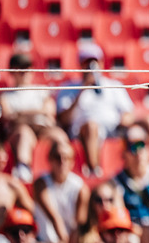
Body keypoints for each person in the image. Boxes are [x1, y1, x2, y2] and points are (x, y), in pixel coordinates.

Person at [56, 41, 135, 177]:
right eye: (87, 63)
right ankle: (94, 172)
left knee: (145, 125)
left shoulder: (114, 85)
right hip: (83, 132)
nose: (91, 67)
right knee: (92, 127)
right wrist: (83, 88)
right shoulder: (68, 88)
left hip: (113, 130)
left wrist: (122, 123)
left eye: (94, 62)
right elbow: (64, 119)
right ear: (80, 65)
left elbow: (128, 114)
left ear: (102, 63)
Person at [0, 52, 59, 183]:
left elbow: (50, 110)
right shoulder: (5, 95)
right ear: (12, 71)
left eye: (27, 68)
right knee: (24, 134)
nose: (25, 72)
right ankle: (24, 169)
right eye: (20, 69)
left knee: (59, 137)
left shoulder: (42, 90)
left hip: (44, 129)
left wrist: (21, 114)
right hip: (21, 130)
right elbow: (7, 116)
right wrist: (38, 112)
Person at [112, 123, 149, 243]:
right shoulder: (116, 183)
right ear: (124, 152)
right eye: (132, 146)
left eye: (142, 144)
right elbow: (120, 223)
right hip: (134, 237)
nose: (138, 150)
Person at [32, 135, 89, 243]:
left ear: (72, 162)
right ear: (50, 160)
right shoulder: (40, 183)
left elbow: (78, 227)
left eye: (66, 158)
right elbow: (54, 218)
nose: (62, 162)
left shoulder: (81, 189)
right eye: (57, 157)